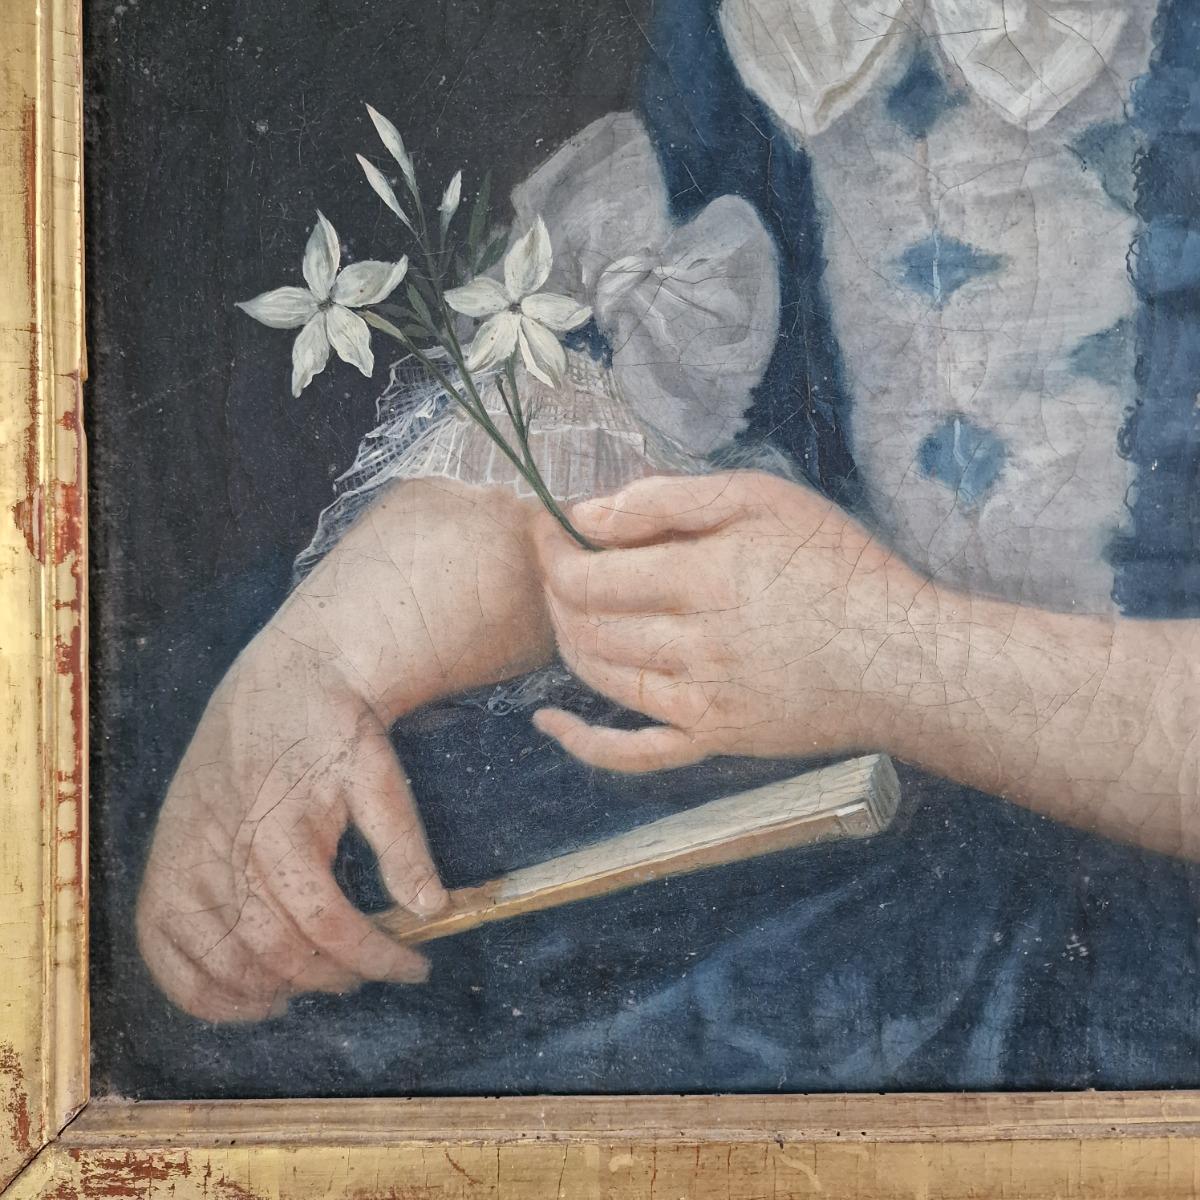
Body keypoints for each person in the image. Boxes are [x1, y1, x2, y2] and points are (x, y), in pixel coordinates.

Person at [135, 0, 1200, 1090]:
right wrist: (325, 658)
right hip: (875, 809)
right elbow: (625, 434)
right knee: (194, 734)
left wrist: (888, 653)